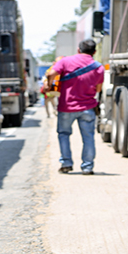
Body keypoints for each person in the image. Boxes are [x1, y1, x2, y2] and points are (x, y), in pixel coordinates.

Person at [44, 39, 104, 175]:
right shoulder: (98, 67)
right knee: (88, 138)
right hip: (88, 107)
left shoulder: (65, 61)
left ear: (78, 49)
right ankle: (87, 167)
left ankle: (66, 164)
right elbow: (98, 89)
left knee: (64, 135)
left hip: (66, 107)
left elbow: (51, 73)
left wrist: (49, 85)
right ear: (94, 52)